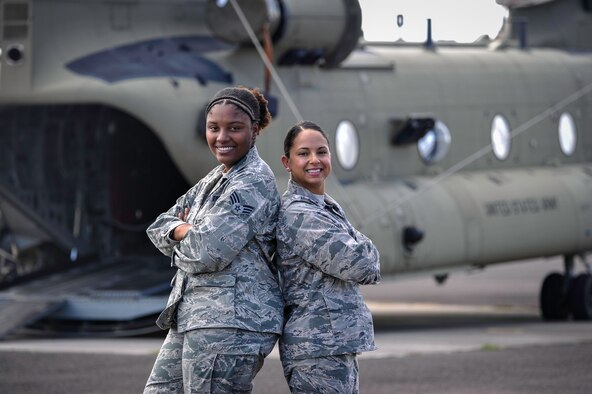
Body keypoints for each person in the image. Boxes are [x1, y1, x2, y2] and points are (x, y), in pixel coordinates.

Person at [143, 86, 283, 393]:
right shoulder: (216, 178)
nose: (222, 137)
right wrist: (183, 231)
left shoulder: (252, 180)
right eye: (213, 128)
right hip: (194, 314)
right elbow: (158, 226)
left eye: (234, 128)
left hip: (229, 320)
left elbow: (208, 251)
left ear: (255, 130)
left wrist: (184, 232)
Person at [277, 120, 381, 393]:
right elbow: (362, 265)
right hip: (316, 347)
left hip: (332, 343)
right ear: (287, 163)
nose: (315, 160)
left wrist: (362, 248)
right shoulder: (300, 214)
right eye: (303, 153)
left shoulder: (324, 207)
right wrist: (365, 247)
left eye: (322, 152)